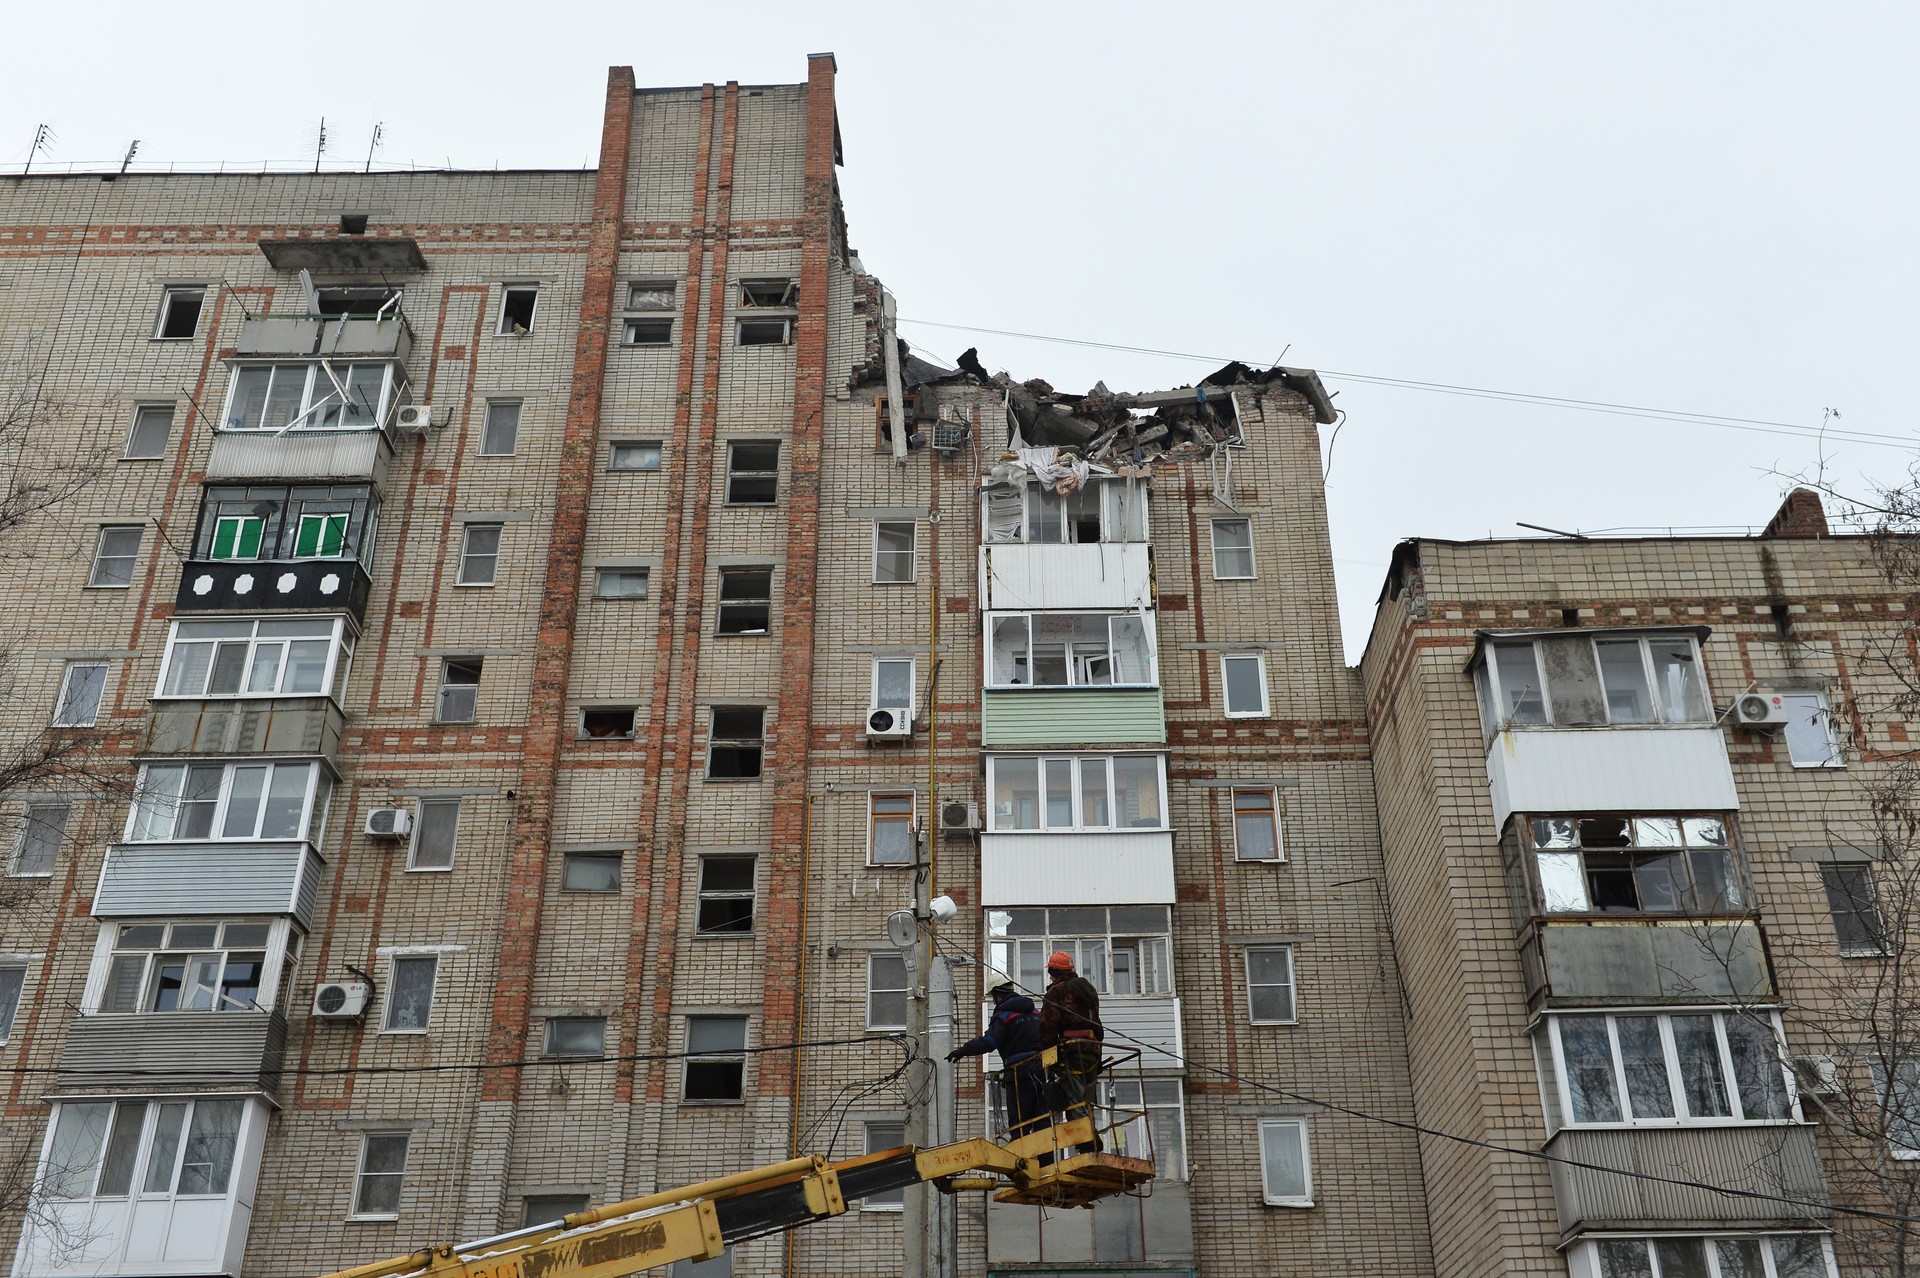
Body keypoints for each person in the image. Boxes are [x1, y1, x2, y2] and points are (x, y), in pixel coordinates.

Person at [946, 977, 1047, 1138]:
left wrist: (964, 1050)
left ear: (997, 995)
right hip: (1042, 1073)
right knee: (1043, 1125)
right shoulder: (1035, 1013)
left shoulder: (1004, 1014)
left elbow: (990, 1042)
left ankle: (1021, 1160)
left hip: (1018, 1075)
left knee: (1019, 1125)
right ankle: (1047, 1162)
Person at [1040, 950, 1104, 1150]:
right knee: (1085, 1098)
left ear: (1053, 970)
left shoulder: (1057, 992)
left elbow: (1047, 1026)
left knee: (1073, 1097)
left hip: (1072, 1051)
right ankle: (1090, 1136)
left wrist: (1048, 1057)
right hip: (1092, 1051)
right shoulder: (1088, 990)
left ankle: (1087, 1142)